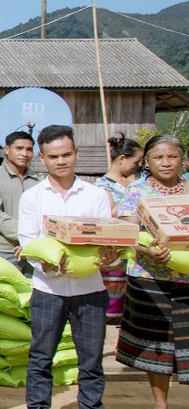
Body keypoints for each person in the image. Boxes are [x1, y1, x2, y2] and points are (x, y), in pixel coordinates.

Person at [16, 125, 115, 409]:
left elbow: (105, 239)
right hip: (48, 289)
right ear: (42, 158)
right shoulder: (32, 197)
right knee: (41, 357)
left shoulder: (95, 195)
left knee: (92, 359)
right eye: (53, 156)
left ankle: (91, 406)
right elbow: (28, 240)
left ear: (76, 154)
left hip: (91, 289)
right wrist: (44, 264)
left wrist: (110, 259)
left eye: (67, 154)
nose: (61, 161)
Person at [116, 134, 189, 408]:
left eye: (172, 156)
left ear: (183, 159)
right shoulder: (137, 191)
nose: (166, 162)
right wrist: (147, 250)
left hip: (186, 278)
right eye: (159, 157)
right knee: (157, 345)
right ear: (147, 161)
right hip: (149, 278)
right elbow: (127, 230)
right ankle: (161, 403)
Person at [95, 133, 143, 324]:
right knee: (113, 304)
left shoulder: (137, 183)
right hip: (116, 252)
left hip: (138, 251)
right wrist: (131, 194)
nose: (137, 166)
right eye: (136, 161)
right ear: (122, 159)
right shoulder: (102, 186)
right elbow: (109, 215)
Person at [0, 130, 40, 274]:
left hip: (34, 248)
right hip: (4, 248)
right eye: (19, 148)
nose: (24, 154)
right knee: (6, 294)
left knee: (33, 292)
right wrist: (26, 234)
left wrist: (33, 240)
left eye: (29, 149)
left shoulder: (38, 180)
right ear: (7, 150)